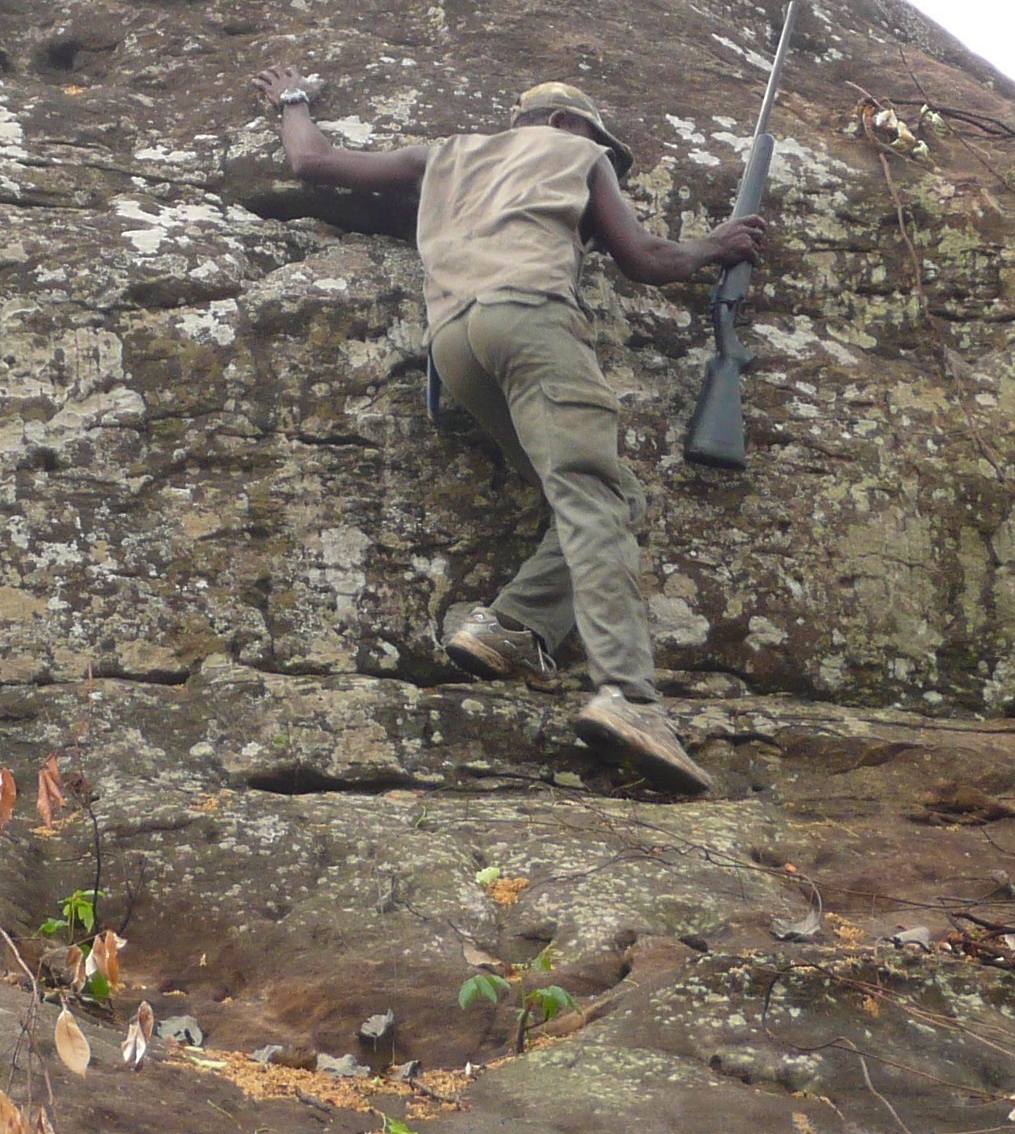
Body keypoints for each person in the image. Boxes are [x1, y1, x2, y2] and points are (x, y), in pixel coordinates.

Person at [256, 63, 769, 793]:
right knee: (595, 497)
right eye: (601, 142)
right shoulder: (575, 153)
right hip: (533, 325)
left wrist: (293, 102)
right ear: (565, 123)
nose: (606, 159)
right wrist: (715, 247)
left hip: (456, 347)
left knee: (604, 502)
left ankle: (513, 628)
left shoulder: (445, 153)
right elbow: (647, 261)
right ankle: (631, 697)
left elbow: (312, 162)